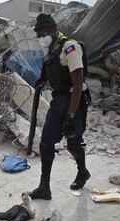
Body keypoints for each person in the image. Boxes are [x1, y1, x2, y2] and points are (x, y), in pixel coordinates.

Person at [23, 14, 91, 200]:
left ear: (54, 29)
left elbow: (78, 84)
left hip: (74, 102)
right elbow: (52, 69)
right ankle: (44, 188)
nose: (40, 37)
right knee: (46, 142)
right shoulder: (52, 50)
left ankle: (82, 171)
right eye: (38, 34)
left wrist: (70, 115)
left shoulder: (70, 47)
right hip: (58, 102)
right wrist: (43, 80)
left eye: (43, 32)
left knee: (73, 144)